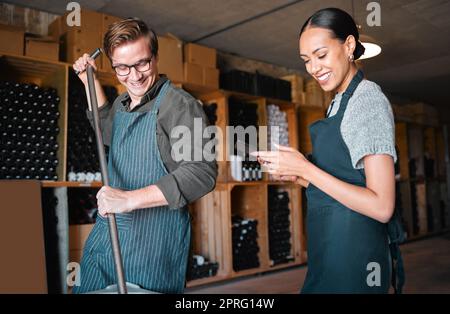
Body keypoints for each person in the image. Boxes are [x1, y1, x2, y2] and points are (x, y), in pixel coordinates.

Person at [253, 8, 404, 293]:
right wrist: (299, 176)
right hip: (331, 247)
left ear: (348, 46)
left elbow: (382, 207)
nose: (313, 68)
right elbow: (347, 180)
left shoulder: (366, 100)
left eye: (321, 55)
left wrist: (307, 168)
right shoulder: (337, 103)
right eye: (306, 60)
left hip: (357, 256)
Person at [71, 18, 217, 293]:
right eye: (122, 68)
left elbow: (202, 172)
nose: (134, 76)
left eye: (142, 63)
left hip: (151, 248)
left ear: (156, 57)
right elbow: (106, 131)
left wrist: (129, 199)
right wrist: (87, 80)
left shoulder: (180, 106)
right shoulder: (122, 103)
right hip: (108, 237)